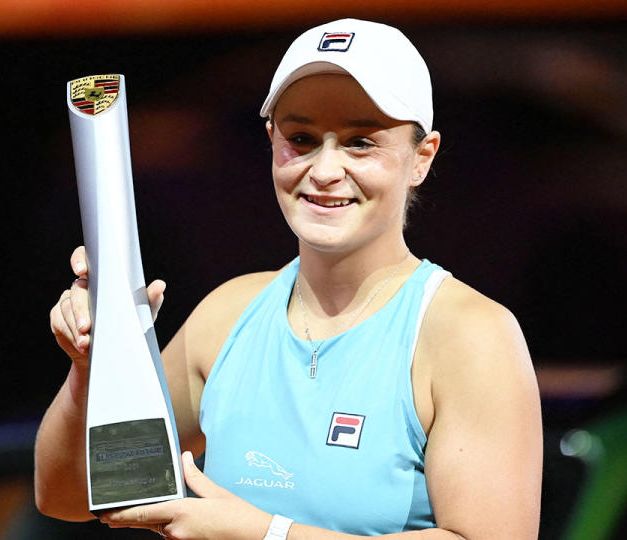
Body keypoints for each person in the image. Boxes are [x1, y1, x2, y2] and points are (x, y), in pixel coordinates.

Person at [36, 18, 542, 540]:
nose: (324, 170)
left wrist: (264, 534)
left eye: (360, 142)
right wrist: (92, 366)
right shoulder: (228, 316)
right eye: (301, 138)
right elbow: (70, 494)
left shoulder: (470, 336)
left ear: (421, 157)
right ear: (271, 140)